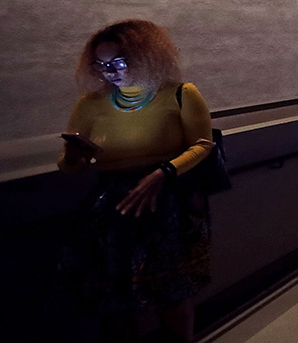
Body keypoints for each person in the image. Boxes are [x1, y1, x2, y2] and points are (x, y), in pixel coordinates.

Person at [58, 19, 214, 343]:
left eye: (118, 62)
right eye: (100, 65)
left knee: (171, 293)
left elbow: (203, 145)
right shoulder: (90, 105)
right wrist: (73, 157)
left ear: (147, 57)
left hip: (168, 205)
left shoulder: (181, 94)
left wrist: (164, 173)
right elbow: (70, 166)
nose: (109, 72)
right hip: (113, 210)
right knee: (115, 299)